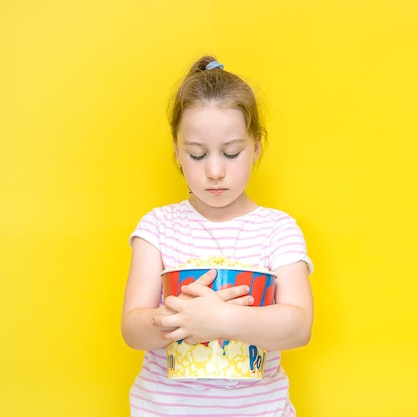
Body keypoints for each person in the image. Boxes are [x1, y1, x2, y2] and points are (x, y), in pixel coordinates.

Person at [121, 56, 314, 417]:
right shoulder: (158, 227)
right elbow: (132, 329)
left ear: (256, 147)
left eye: (231, 153)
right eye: (196, 154)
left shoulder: (277, 229)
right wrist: (184, 319)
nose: (214, 171)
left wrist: (223, 321)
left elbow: (299, 326)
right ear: (177, 152)